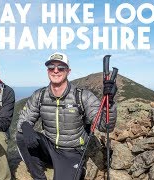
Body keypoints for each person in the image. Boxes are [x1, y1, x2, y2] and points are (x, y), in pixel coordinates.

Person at [16, 52, 117, 180]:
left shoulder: (82, 96)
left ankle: (77, 169)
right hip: (49, 147)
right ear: (48, 71)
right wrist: (25, 126)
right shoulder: (39, 95)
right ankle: (39, 177)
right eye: (51, 67)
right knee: (21, 135)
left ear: (68, 71)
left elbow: (105, 126)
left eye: (61, 68)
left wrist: (110, 103)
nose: (56, 71)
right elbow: (24, 119)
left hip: (71, 152)